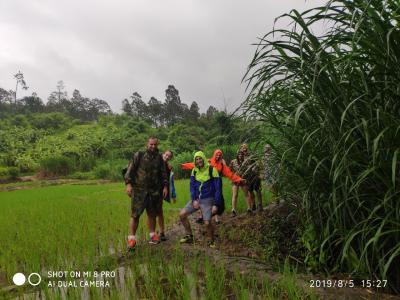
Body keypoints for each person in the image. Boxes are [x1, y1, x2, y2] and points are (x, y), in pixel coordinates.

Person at [124, 137, 168, 251]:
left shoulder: (160, 158)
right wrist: (128, 184)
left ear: (157, 145)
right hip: (139, 190)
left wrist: (165, 187)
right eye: (151, 144)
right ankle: (131, 239)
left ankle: (152, 235)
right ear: (147, 144)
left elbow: (163, 175)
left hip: (154, 191)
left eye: (155, 145)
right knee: (135, 215)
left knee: (152, 214)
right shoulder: (139, 155)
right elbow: (130, 170)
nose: (153, 146)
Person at [181, 149, 243, 223]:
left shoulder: (222, 165)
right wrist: (184, 166)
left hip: (216, 184)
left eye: (220, 155)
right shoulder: (208, 161)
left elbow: (229, 173)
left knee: (216, 201)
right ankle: (202, 216)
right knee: (203, 199)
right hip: (207, 184)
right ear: (214, 155)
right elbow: (194, 164)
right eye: (217, 154)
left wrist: (238, 179)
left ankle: (215, 219)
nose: (218, 156)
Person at [179, 151, 222, 248]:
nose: (199, 161)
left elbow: (218, 189)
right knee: (182, 214)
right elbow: (192, 187)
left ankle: (211, 240)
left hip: (208, 199)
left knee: (207, 223)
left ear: (203, 158)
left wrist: (216, 204)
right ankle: (189, 236)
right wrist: (194, 199)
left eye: (200, 158)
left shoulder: (212, 170)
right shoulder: (194, 171)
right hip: (197, 199)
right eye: (196, 159)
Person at [157, 150, 176, 241]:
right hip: (151, 190)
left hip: (160, 191)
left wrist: (173, 195)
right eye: (166, 155)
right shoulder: (155, 161)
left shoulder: (168, 168)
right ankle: (152, 233)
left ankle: (162, 232)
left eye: (169, 156)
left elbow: (171, 182)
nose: (167, 157)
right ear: (163, 154)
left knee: (159, 211)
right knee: (151, 213)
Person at [239, 143, 263, 212]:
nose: (244, 149)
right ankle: (253, 205)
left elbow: (258, 163)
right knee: (250, 191)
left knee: (258, 189)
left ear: (247, 147)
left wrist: (260, 173)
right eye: (242, 147)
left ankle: (260, 204)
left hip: (255, 175)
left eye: (245, 147)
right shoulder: (241, 156)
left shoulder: (251, 155)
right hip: (247, 176)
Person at [229, 150, 252, 216]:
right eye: (239, 154)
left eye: (241, 154)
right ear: (237, 155)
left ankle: (249, 209)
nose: (240, 156)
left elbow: (249, 170)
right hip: (235, 180)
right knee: (235, 195)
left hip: (243, 180)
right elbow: (229, 170)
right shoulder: (233, 161)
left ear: (243, 155)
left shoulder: (246, 162)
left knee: (246, 194)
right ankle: (233, 210)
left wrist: (246, 179)